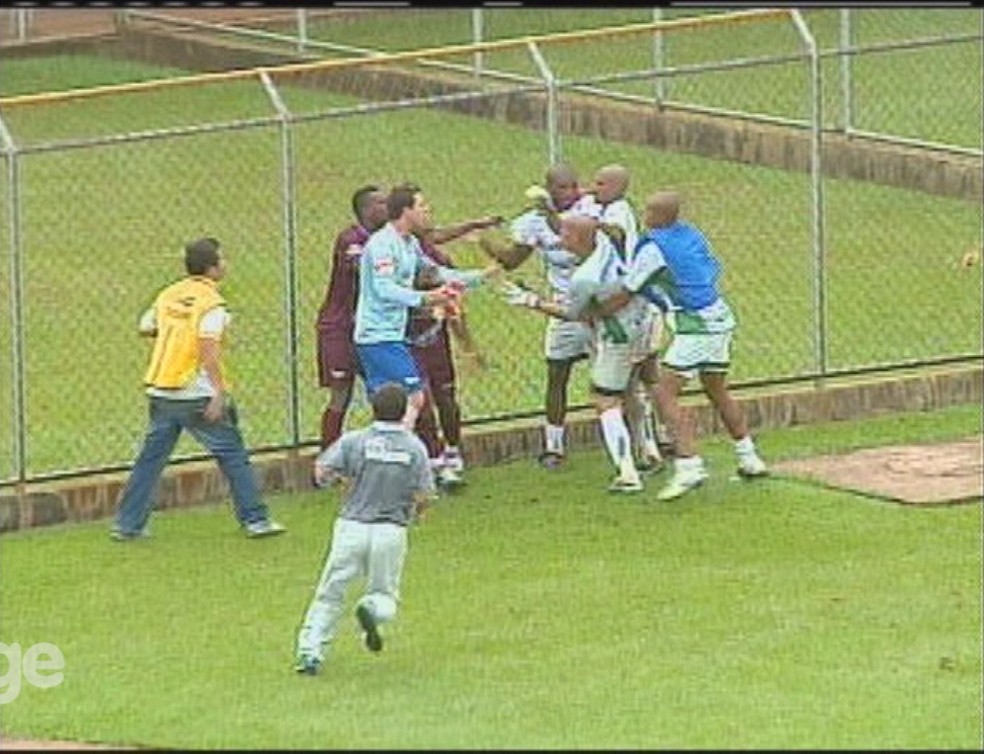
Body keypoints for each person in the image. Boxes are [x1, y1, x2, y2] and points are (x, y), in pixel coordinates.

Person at [588, 191, 769, 501]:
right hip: (719, 315)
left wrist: (596, 311)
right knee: (716, 388)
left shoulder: (653, 246)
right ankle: (748, 456)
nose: (644, 215)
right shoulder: (690, 234)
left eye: (647, 210)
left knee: (663, 391)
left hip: (695, 324)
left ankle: (689, 464)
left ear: (657, 216)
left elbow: (629, 290)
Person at [111, 237, 286, 540]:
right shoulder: (211, 304)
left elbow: (145, 326)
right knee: (232, 454)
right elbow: (208, 348)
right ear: (213, 267)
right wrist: (218, 391)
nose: (225, 264)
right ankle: (256, 520)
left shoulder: (169, 294)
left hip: (162, 388)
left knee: (150, 460)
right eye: (222, 259)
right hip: (195, 391)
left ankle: (128, 525)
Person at [295, 382, 435, 675]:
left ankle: (310, 651)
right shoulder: (413, 448)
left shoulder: (355, 441)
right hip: (390, 530)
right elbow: (424, 494)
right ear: (402, 413)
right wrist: (419, 512)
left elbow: (321, 470)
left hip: (351, 526)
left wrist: (339, 483)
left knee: (330, 591)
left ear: (373, 408)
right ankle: (370, 610)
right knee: (385, 593)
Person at [501, 215, 649, 493]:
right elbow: (614, 233)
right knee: (630, 390)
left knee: (605, 400)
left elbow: (572, 313)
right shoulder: (607, 243)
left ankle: (628, 472)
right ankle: (647, 450)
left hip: (617, 336)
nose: (560, 239)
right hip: (641, 323)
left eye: (566, 235)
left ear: (580, 240)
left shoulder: (585, 278)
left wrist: (531, 301)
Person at [353, 183, 499, 436]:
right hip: (378, 336)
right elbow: (384, 289)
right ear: (406, 211)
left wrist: (482, 275)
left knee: (388, 406)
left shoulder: (410, 244)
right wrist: (428, 298)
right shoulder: (382, 245)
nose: (428, 211)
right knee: (415, 398)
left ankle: (380, 456)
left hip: (389, 336)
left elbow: (436, 272)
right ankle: (396, 451)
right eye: (422, 206)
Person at [478, 164, 595, 469]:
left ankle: (648, 440)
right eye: (562, 188)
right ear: (549, 189)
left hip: (599, 304)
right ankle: (553, 446)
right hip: (562, 307)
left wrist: (551, 216)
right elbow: (513, 260)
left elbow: (580, 241)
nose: (570, 193)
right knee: (557, 373)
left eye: (573, 186)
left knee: (621, 377)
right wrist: (483, 239)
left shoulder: (590, 212)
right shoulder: (533, 223)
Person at [579, 164, 670, 472]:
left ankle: (631, 466)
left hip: (623, 316)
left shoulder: (618, 212)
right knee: (633, 384)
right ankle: (649, 448)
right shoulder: (595, 207)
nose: (595, 187)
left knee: (612, 392)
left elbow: (614, 234)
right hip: (629, 312)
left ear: (620, 187)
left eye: (602, 183)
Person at [409, 212, 502, 486]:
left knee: (446, 398)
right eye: (420, 207)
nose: (426, 214)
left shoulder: (437, 259)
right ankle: (433, 460)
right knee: (419, 403)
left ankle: (452, 451)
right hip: (406, 343)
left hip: (436, 343)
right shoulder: (393, 259)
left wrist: (469, 348)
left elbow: (455, 309)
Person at [315, 184, 389, 450]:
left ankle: (381, 452)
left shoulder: (387, 238)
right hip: (340, 329)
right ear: (367, 209)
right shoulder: (351, 239)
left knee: (384, 393)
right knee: (340, 395)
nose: (388, 206)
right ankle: (328, 461)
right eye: (381, 203)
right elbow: (363, 269)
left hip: (371, 330)